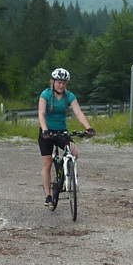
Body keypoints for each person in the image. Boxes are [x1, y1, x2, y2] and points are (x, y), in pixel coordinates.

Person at [38, 68, 93, 206]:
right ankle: (48, 195)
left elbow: (78, 113)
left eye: (63, 83)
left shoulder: (69, 96)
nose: (61, 85)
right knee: (47, 164)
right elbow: (41, 114)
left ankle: (64, 168)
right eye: (58, 82)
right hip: (47, 132)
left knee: (74, 153)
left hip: (61, 131)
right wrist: (45, 130)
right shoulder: (46, 94)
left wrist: (88, 127)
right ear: (53, 82)